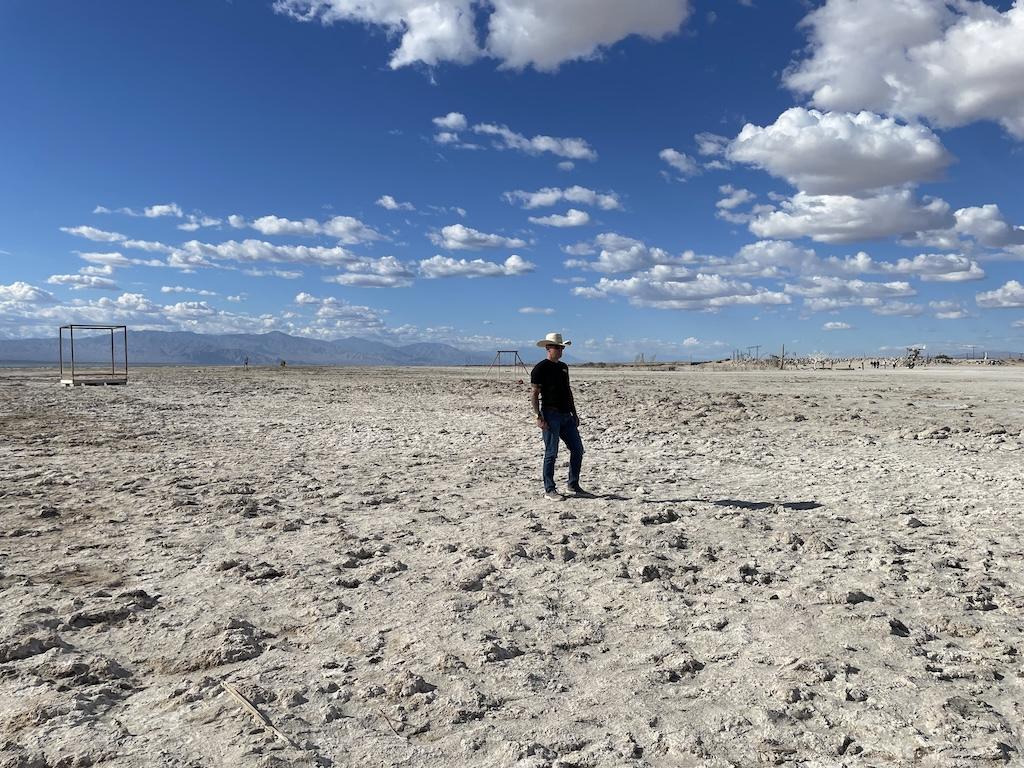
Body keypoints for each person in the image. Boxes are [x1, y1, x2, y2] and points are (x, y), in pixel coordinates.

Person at [530, 332, 590, 501]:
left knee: (577, 449)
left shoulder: (563, 367)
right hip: (550, 414)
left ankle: (573, 485)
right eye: (557, 347)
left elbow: (568, 390)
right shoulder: (540, 368)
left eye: (562, 347)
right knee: (551, 453)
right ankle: (549, 489)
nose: (561, 350)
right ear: (548, 348)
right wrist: (538, 416)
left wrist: (574, 413)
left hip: (566, 416)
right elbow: (534, 393)